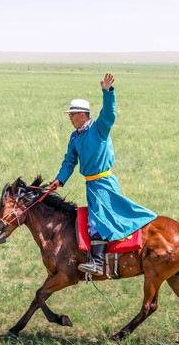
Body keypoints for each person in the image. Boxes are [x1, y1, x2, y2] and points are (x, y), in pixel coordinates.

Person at [50, 73, 157, 276]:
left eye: (72, 115)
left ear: (82, 114)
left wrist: (107, 92)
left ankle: (98, 264)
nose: (70, 118)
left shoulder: (99, 128)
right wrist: (59, 179)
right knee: (95, 217)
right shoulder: (75, 137)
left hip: (104, 183)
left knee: (98, 220)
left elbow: (109, 114)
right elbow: (69, 161)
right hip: (91, 185)